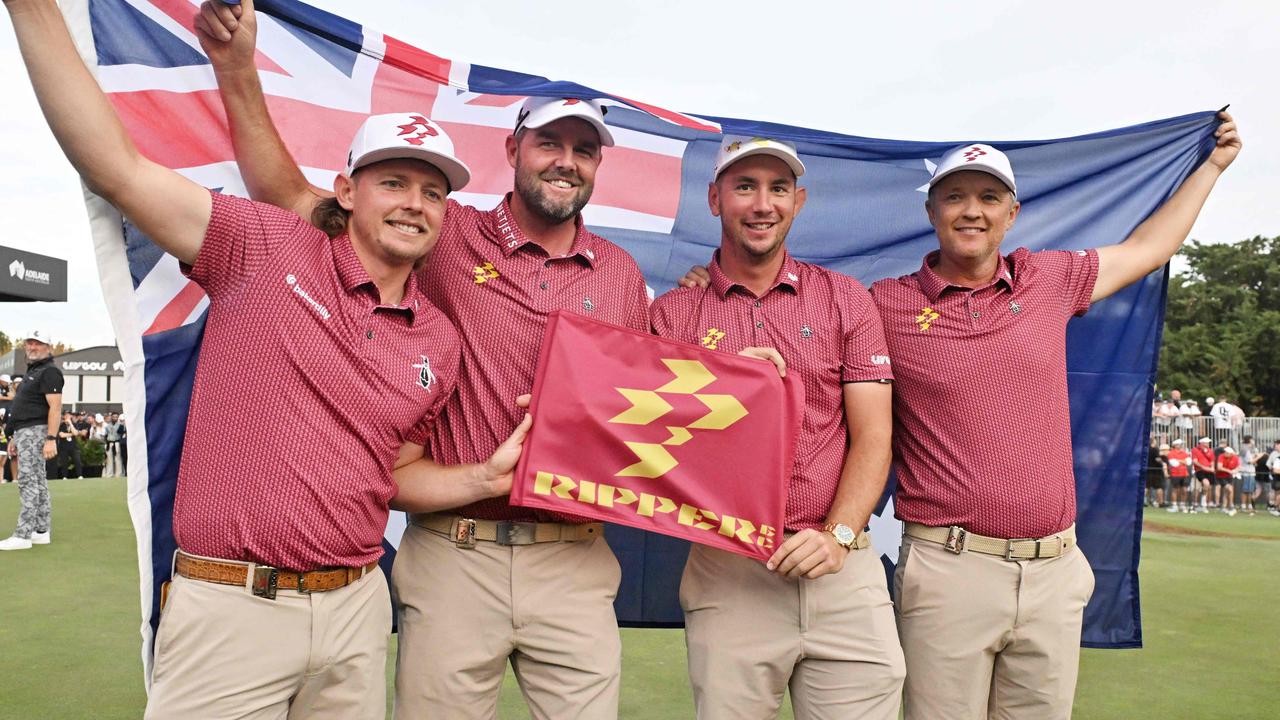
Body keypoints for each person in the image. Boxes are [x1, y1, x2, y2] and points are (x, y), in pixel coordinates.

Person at [5, 2, 533, 716]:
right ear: (345, 192)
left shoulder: (438, 338)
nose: (415, 203)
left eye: (433, 191)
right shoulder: (263, 245)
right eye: (394, 183)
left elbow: (399, 476)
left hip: (355, 610)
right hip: (231, 606)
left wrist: (482, 476)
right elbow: (117, 168)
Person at [197, 2, 652, 716]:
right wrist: (237, 69)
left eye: (584, 148)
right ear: (514, 150)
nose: (565, 160)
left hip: (574, 556)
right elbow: (288, 197)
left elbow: (651, 398)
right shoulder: (442, 229)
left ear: (598, 164)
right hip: (454, 551)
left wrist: (754, 375)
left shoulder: (623, 274)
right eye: (548, 142)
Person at [867, 115, 1239, 719]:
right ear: (932, 212)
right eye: (955, 196)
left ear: (1011, 215)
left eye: (989, 198)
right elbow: (806, 339)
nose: (972, 211)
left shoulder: (1050, 279)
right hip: (948, 570)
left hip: (1055, 569)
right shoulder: (884, 305)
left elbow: (1149, 247)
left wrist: (1213, 167)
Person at [651, 137, 904, 718]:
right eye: (744, 187)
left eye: (778, 189)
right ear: (715, 199)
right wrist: (722, 385)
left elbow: (873, 436)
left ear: (799, 201)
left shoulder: (845, 299)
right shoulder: (671, 316)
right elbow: (659, 451)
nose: (762, 204)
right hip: (731, 572)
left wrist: (837, 537)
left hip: (841, 565)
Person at [0, 331, 63, 551]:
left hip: (36, 432)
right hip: (25, 432)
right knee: (37, 481)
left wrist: (51, 439)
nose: (32, 346)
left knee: (28, 481)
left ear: (48, 346)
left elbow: (55, 408)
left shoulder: (50, 372)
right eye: (29, 342)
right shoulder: (35, 371)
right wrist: (15, 436)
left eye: (37, 343)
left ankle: (23, 534)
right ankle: (41, 531)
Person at [1166, 439, 1191, 513]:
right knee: (1175, 490)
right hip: (1175, 474)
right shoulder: (1171, 453)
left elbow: (1189, 462)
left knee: (1184, 490)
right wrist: (1183, 461)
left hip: (1185, 474)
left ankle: (1182, 505)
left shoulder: (1184, 453)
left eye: (1180, 444)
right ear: (1175, 445)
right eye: (1179, 444)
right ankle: (1174, 506)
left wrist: (1179, 460)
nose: (1180, 445)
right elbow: (1174, 464)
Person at [1192, 436, 1217, 512]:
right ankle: (1198, 504)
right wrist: (1203, 467)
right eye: (1207, 442)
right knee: (1202, 486)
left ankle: (1203, 504)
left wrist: (1212, 468)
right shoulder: (1195, 450)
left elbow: (1212, 461)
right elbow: (1195, 461)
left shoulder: (1210, 450)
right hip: (1199, 471)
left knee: (1207, 487)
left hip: (1209, 471)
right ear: (1202, 443)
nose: (1208, 443)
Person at [1215, 446, 1239, 515]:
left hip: (1229, 477)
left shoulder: (1235, 458)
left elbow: (1238, 466)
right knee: (1229, 489)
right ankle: (1230, 505)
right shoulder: (1221, 456)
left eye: (1227, 452)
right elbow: (1219, 467)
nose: (1225, 453)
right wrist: (1229, 471)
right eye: (1225, 452)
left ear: (1231, 454)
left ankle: (1225, 506)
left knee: (1227, 491)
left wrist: (1235, 470)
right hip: (1220, 476)